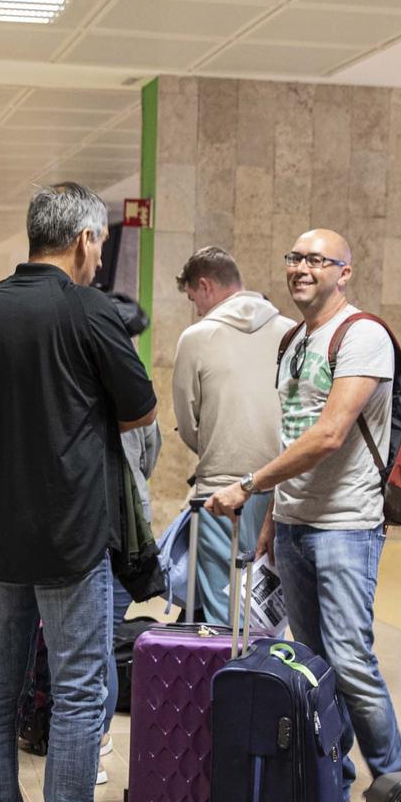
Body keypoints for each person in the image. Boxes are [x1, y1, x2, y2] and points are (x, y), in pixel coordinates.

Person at [0, 182, 157, 802]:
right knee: (80, 688)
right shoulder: (88, 311)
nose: (99, 256)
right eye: (100, 243)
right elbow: (140, 409)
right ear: (81, 239)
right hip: (71, 532)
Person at [204, 228, 401, 795]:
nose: (301, 268)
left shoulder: (362, 335)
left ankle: (398, 790)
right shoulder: (293, 340)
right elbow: (291, 434)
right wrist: (274, 514)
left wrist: (248, 486)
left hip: (345, 526)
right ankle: (332, 784)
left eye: (317, 260)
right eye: (294, 257)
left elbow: (328, 434)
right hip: (294, 527)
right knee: (313, 666)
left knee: (350, 661)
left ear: (344, 272)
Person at [170, 245, 288, 624]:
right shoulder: (292, 332)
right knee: (269, 610)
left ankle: (226, 681)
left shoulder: (196, 337)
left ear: (204, 286)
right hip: (283, 492)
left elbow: (189, 424)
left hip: (221, 493)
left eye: (194, 299)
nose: (197, 309)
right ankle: (267, 680)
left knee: (224, 614)